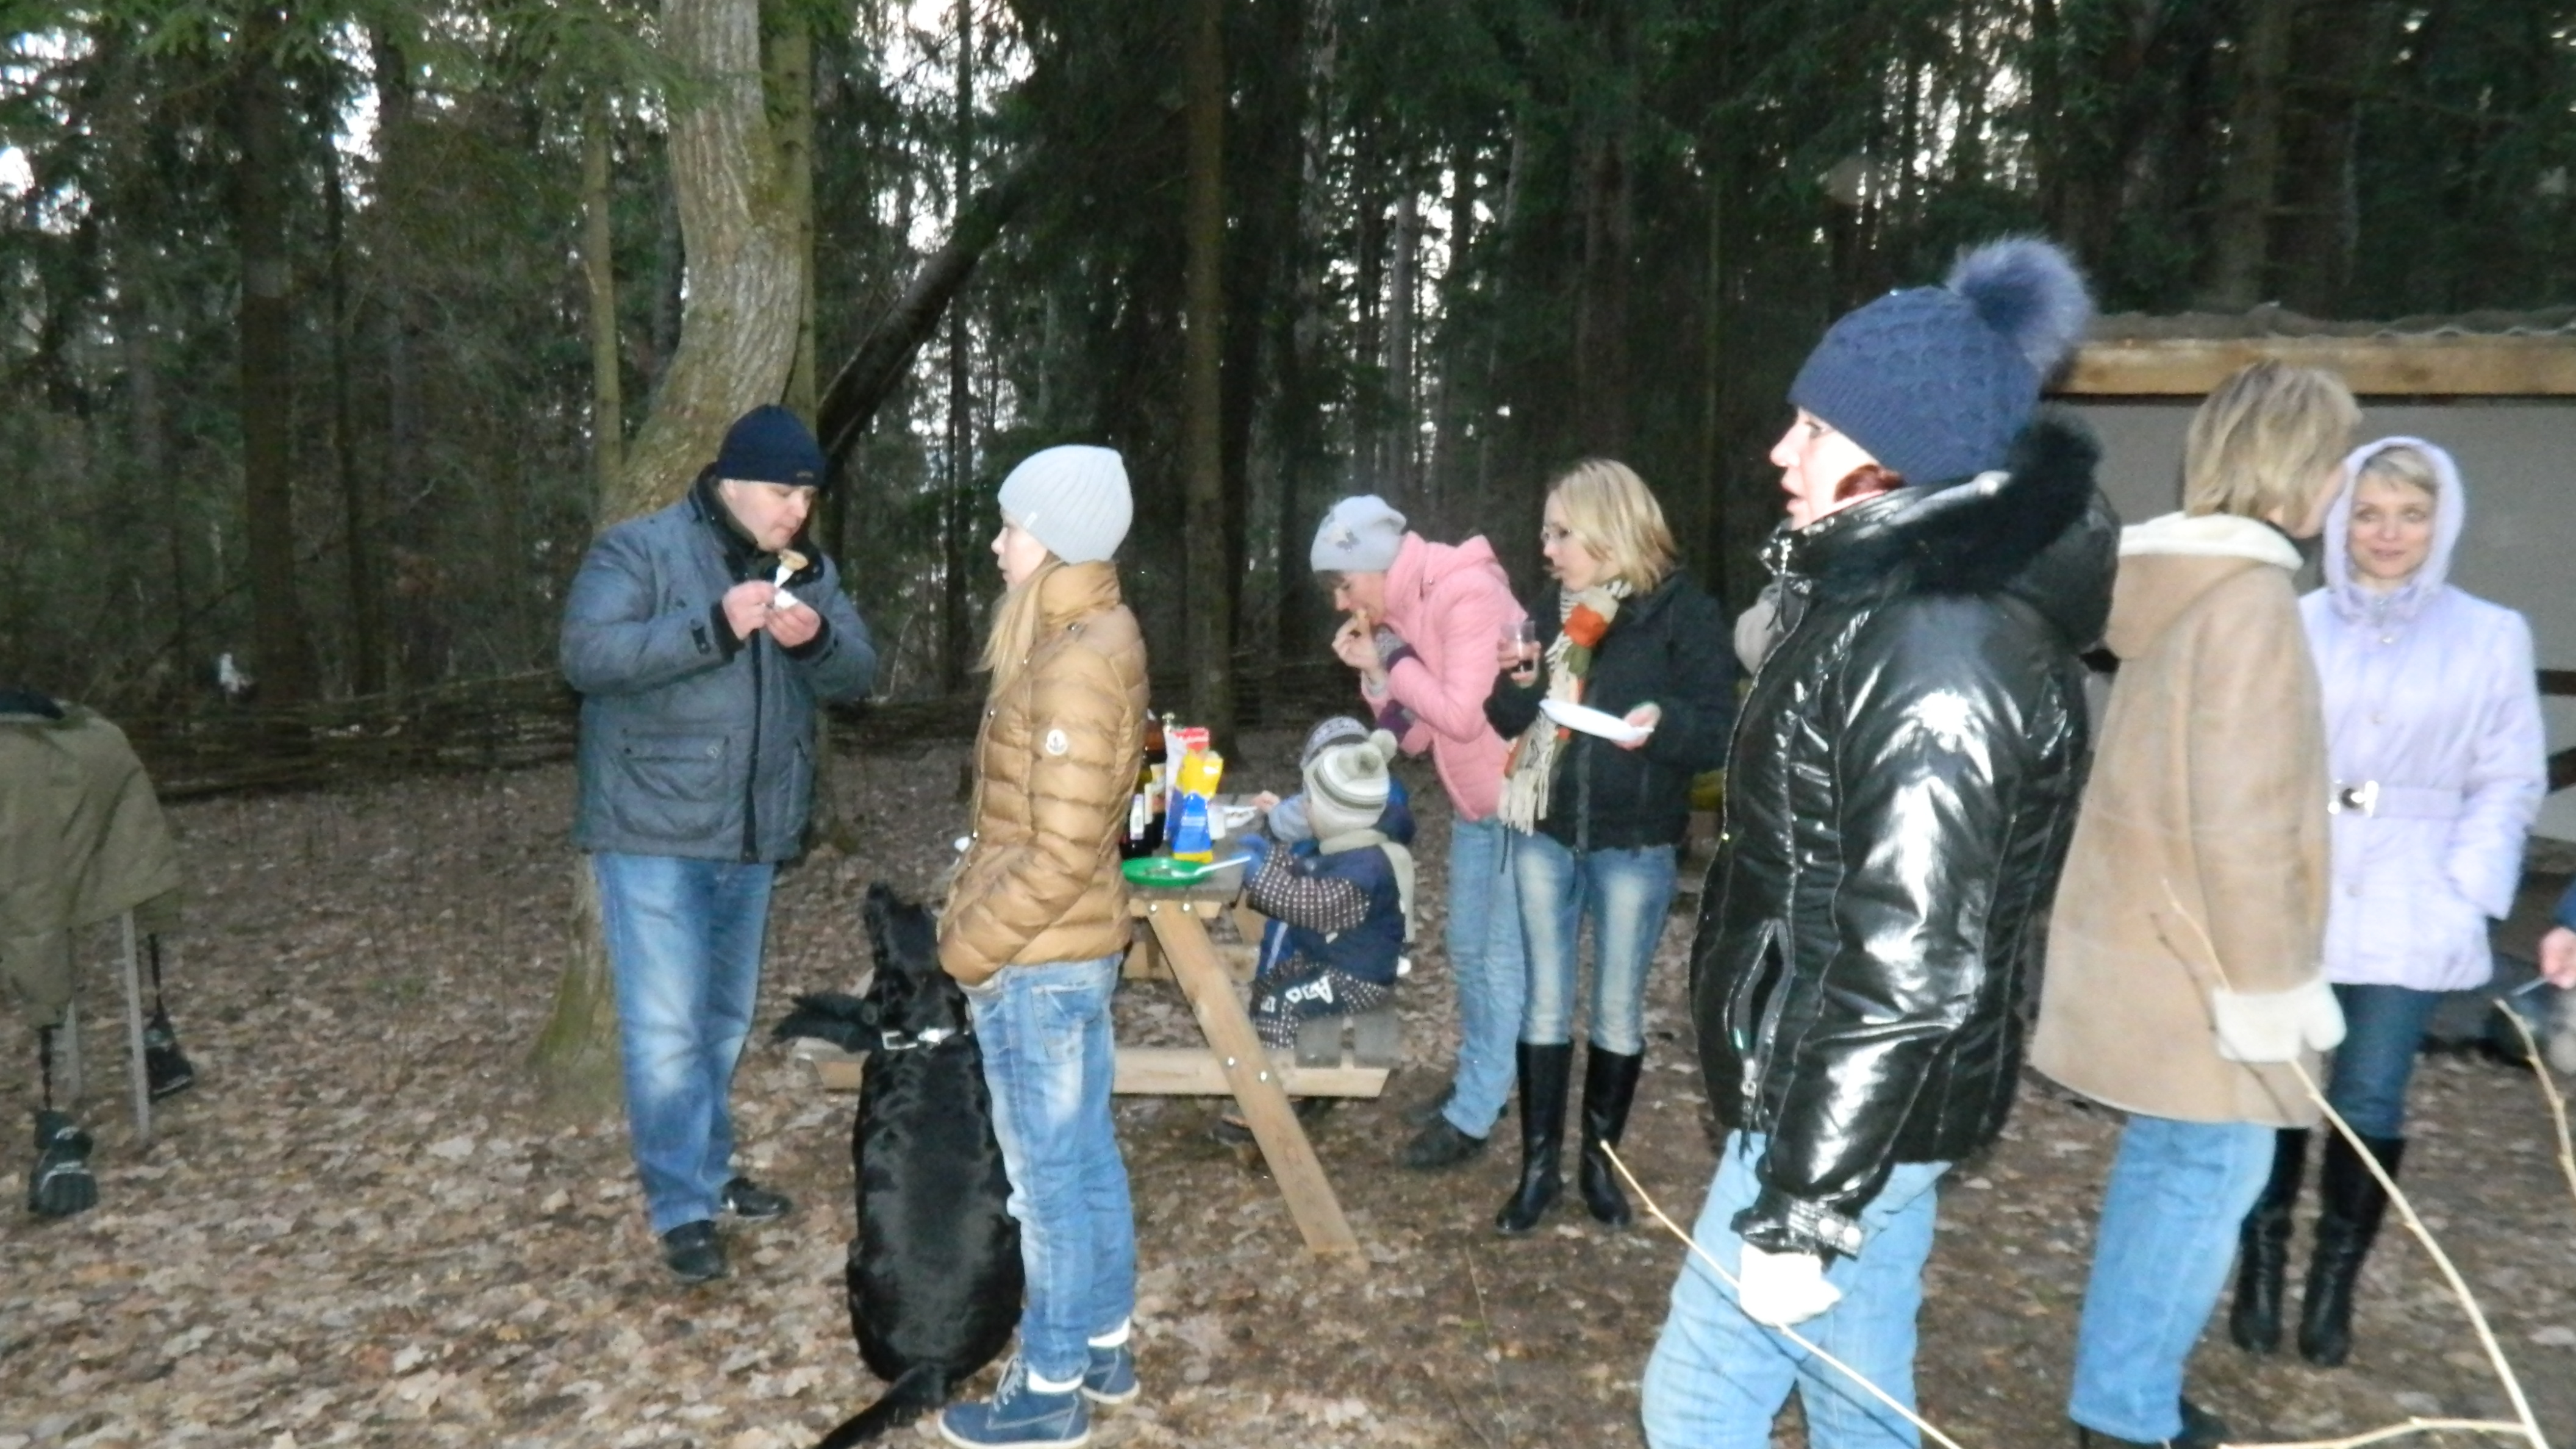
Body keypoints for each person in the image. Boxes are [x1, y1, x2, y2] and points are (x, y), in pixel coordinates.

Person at [1640, 238, 2113, 1449]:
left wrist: (1802, 1203)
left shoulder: (1939, 650)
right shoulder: (1880, 610)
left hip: (1845, 1098)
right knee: (1859, 1386)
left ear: (1898, 455)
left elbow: (1908, 957)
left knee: (1695, 1405)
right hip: (1859, 1096)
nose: (1780, 451)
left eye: (1814, 428)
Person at [2034, 360, 2362, 1449]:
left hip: (2152, 945)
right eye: (2334, 460)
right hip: (2213, 970)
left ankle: (2120, 1390)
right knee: (2205, 1179)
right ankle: (2124, 1412)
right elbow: (2243, 825)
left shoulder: (2178, 587)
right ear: (2295, 467)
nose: (2340, 484)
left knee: (2168, 1172)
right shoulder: (2250, 602)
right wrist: (2272, 992)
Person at [2224, 438, 2545, 1368]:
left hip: (2415, 895)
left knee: (2369, 1091)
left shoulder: (2490, 634)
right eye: (2368, 513)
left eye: (2411, 514)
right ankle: (2260, 1266)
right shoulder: (2294, 623)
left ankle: (2334, 1284)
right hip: (2299, 891)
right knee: (2277, 1088)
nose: (2389, 533)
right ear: (2340, 522)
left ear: (2442, 520)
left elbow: (2509, 776)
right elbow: (2251, 757)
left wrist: (2469, 886)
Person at [560, 404, 877, 1284]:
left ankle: (709, 1172)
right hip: (652, 829)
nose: (797, 512)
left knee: (722, 1023)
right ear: (731, 483)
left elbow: (859, 673)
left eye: (808, 496)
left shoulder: (808, 571)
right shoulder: (640, 550)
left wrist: (815, 643)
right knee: (667, 1030)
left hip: (753, 833)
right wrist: (712, 624)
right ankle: (682, 1208)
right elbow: (587, 657)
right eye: (783, 493)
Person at [934, 444, 1148, 1449]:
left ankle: (1050, 1388)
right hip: (1064, 949)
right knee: (1084, 1158)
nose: (996, 541)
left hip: (1039, 961)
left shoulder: (1074, 662)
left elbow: (1059, 852)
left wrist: (968, 948)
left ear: (1054, 538)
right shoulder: (1084, 633)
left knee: (1047, 1186)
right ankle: (1103, 1346)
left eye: (1011, 525)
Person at [1481, 460, 1734, 1235]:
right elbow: (1508, 718)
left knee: (1618, 1011)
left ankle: (1600, 1167)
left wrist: (1663, 725)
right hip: (1545, 831)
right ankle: (1538, 1174)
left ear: (1607, 529)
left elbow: (1716, 730)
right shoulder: (1549, 611)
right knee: (1544, 1003)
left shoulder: (1683, 612)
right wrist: (1520, 681)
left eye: (1561, 533)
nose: (1547, 549)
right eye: (1547, 533)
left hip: (1635, 841)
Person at [1311, 498, 1528, 1171]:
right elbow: (1417, 735)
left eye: (1344, 583)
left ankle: (1477, 1112)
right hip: (1476, 807)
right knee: (1467, 951)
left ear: (1375, 563)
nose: (1342, 601)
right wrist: (1377, 673)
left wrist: (1392, 655)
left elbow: (1463, 715)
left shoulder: (1466, 594)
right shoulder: (1409, 609)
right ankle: (1480, 1082)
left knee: (1499, 961)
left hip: (1522, 805)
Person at [1240, 728, 1414, 1052]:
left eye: (1310, 802)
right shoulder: (1350, 847)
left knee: (1279, 1006)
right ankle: (1258, 1050)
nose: (1304, 809)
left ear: (1336, 815)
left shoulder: (1365, 869)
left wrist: (1258, 876)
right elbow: (1307, 874)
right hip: (1333, 959)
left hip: (1357, 978)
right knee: (1272, 980)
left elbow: (1310, 906)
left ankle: (1279, 1078)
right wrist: (1271, 857)